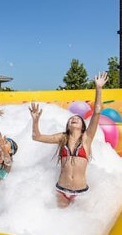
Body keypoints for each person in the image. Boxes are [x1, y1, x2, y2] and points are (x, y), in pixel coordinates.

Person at [29, 72, 108, 208]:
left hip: (81, 193)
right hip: (61, 190)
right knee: (60, 222)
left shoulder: (87, 138)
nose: (74, 119)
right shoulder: (62, 138)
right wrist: (35, 121)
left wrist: (98, 88)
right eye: (71, 119)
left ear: (83, 126)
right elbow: (37, 137)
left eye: (77, 119)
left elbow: (97, 111)